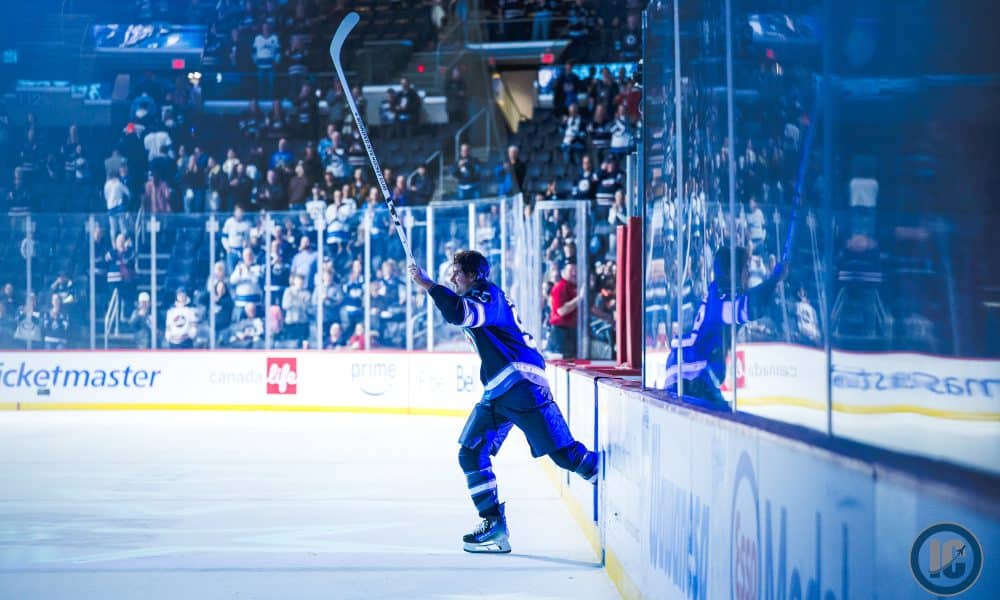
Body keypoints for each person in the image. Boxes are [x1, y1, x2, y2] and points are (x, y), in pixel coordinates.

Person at [408, 250, 599, 554]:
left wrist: (429, 285)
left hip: (522, 384)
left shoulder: (486, 293)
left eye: (457, 272)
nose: (452, 277)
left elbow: (460, 313)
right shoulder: (480, 293)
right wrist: (433, 289)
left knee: (566, 456)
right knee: (471, 453)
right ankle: (494, 523)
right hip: (500, 389)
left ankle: (607, 475)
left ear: (473, 275)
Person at [662, 246, 787, 405]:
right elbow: (748, 308)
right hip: (689, 377)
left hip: (689, 375)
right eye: (745, 268)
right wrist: (775, 278)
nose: (748, 274)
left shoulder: (719, 293)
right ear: (733, 272)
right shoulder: (721, 296)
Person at [548, 263, 582, 358]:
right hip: (561, 333)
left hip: (572, 331)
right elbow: (561, 311)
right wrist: (579, 298)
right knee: (563, 360)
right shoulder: (560, 287)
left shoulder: (574, 287)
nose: (574, 274)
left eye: (576, 271)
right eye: (571, 271)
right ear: (563, 273)